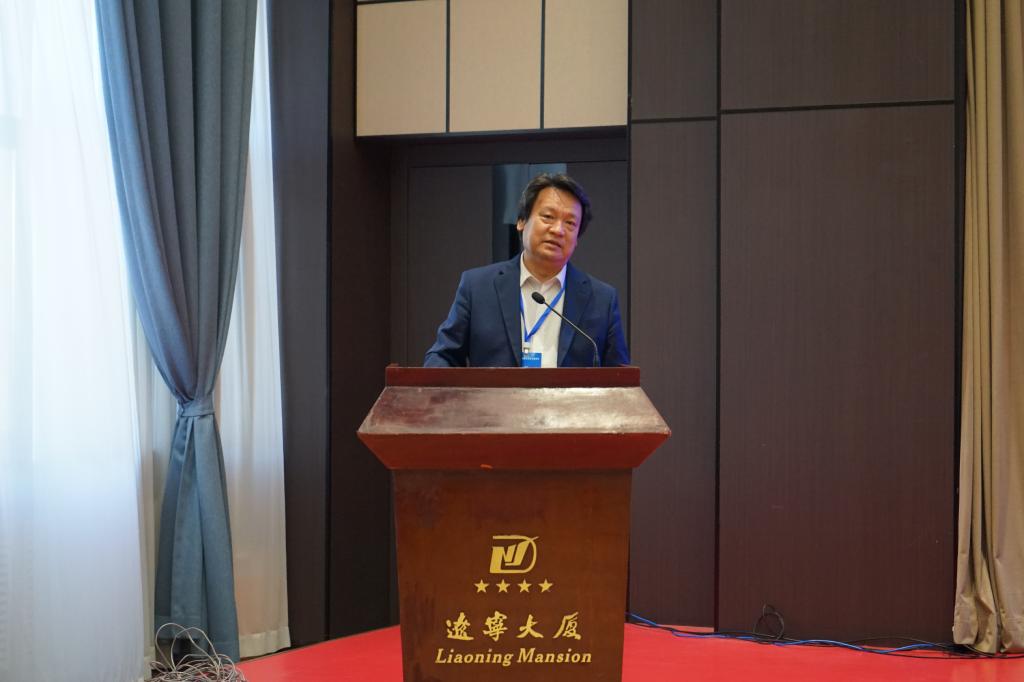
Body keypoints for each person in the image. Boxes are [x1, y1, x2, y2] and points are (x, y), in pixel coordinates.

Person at [424, 172, 629, 368]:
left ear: (577, 239)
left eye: (570, 223)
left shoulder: (601, 299)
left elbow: (620, 377)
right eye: (548, 217)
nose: (558, 230)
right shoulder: (477, 287)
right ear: (521, 221)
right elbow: (442, 355)